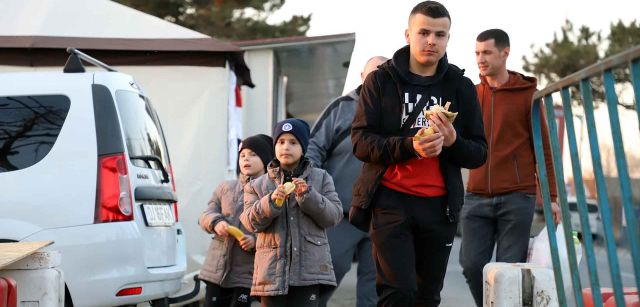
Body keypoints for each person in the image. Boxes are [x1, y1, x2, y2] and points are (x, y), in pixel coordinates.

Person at [349, 1, 488, 306]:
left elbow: (479, 153)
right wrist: (409, 146)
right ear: (408, 34)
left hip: (440, 207)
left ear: (448, 39)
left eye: (440, 34)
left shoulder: (461, 86)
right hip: (390, 200)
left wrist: (454, 141)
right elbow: (360, 142)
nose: (431, 41)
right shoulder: (380, 81)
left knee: (427, 298)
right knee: (397, 293)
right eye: (423, 32)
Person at [460, 28, 561, 307]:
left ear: (505, 53)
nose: (481, 58)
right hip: (476, 195)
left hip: (517, 197)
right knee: (470, 264)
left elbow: (544, 150)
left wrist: (551, 197)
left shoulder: (527, 95)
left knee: (509, 270)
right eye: (477, 53)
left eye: (487, 52)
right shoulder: (471, 94)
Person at [306, 55, 388, 307]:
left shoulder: (399, 113)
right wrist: (316, 194)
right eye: (372, 74)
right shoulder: (341, 108)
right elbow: (312, 150)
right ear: (362, 77)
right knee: (322, 282)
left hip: (382, 217)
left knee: (374, 290)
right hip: (339, 214)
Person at [240, 118, 343, 307]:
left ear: (303, 147)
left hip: (309, 274)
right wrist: (271, 202)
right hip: (271, 274)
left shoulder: (321, 178)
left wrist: (309, 196)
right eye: (281, 142)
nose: (286, 147)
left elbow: (334, 216)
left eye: (293, 142)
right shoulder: (257, 185)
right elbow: (250, 222)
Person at [198, 134, 275, 307]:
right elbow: (206, 214)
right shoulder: (225, 188)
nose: (246, 158)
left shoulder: (271, 193)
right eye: (242, 155)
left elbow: (276, 230)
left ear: (266, 160)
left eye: (253, 154)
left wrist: (255, 241)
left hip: (247, 274)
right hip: (217, 271)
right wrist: (216, 222)